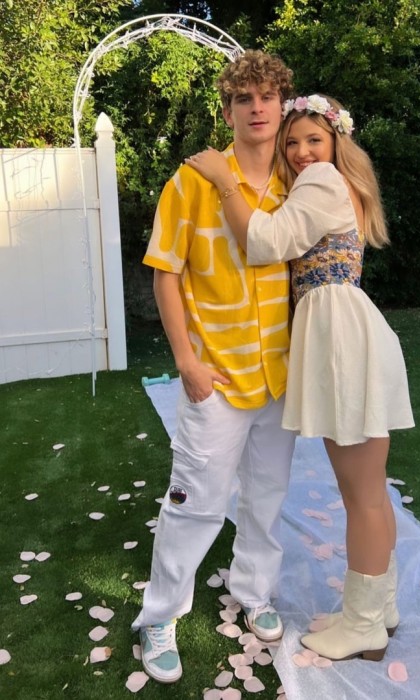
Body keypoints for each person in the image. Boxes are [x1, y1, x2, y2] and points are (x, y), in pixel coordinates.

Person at [186, 93, 415, 662]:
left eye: (315, 139)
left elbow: (264, 242)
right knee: (370, 492)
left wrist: (224, 180)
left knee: (362, 496)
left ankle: (363, 625)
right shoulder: (337, 184)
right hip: (351, 334)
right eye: (292, 142)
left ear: (337, 140)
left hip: (342, 343)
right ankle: (378, 608)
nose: (302, 151)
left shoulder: (320, 181)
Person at [131, 50, 297, 684]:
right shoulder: (191, 182)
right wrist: (186, 362)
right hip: (216, 377)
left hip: (280, 375)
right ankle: (159, 615)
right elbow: (166, 273)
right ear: (226, 111)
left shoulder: (298, 181)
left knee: (267, 495)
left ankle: (254, 591)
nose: (256, 108)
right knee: (195, 502)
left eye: (267, 96)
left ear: (282, 105)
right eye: (243, 98)